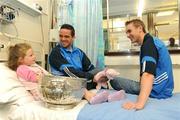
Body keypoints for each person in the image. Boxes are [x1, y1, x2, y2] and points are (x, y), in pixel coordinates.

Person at [49, 24, 125, 104]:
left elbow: (90, 68)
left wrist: (101, 74)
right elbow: (70, 72)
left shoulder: (79, 52)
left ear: (73, 37)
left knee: (100, 71)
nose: (63, 39)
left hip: (81, 80)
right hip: (66, 81)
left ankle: (109, 96)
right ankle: (93, 97)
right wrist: (92, 77)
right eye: (61, 36)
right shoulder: (56, 52)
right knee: (75, 82)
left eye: (66, 36)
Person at [110, 19, 174, 110]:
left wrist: (139, 104)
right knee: (115, 80)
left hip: (157, 91)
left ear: (140, 28)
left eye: (129, 31)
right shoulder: (151, 41)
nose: (127, 35)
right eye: (126, 32)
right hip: (163, 88)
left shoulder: (149, 44)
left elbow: (148, 74)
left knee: (114, 80)